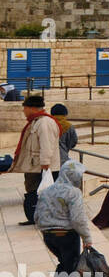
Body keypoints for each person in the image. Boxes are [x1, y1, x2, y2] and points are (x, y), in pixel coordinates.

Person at [35, 160, 93, 277]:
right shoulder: (73, 192)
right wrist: (87, 238)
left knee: (64, 264)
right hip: (66, 235)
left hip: (49, 235)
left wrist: (45, 230)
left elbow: (37, 215)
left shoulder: (47, 190)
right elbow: (78, 219)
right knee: (73, 268)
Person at [9, 95, 60, 225]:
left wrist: (45, 164)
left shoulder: (45, 123)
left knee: (39, 192)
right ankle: (35, 218)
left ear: (32, 108)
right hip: (34, 165)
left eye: (25, 108)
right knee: (32, 190)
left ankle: (42, 218)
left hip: (41, 166)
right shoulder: (36, 121)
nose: (24, 111)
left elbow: (46, 144)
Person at [48, 103, 79, 172]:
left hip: (47, 161)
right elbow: (73, 141)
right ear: (65, 114)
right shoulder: (69, 126)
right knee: (73, 170)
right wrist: (65, 147)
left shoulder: (48, 124)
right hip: (63, 159)